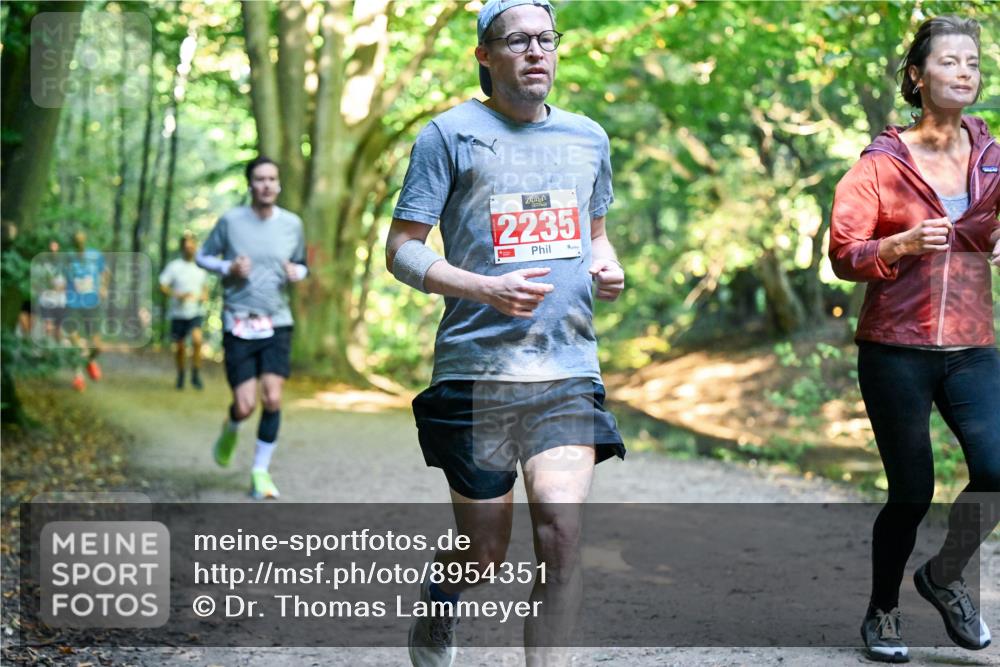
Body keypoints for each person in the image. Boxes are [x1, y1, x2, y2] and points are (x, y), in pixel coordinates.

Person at [386, 1, 626, 665]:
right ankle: (441, 599)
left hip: (566, 368)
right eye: (517, 40)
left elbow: (597, 235)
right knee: (484, 550)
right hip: (477, 370)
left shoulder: (588, 138)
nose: (536, 51)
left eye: (546, 38)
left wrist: (607, 266)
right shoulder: (448, 135)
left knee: (561, 535)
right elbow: (401, 248)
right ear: (484, 56)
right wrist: (483, 287)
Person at [829, 15, 1000, 663]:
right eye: (949, 61)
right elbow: (843, 253)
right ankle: (883, 611)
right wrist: (899, 243)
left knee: (997, 469)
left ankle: (945, 573)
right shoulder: (881, 165)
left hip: (971, 344)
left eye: (972, 62)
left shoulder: (991, 157)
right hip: (895, 347)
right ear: (917, 76)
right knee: (911, 491)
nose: (964, 72)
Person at [196, 156, 308, 500]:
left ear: (279, 184)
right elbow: (202, 256)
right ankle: (232, 426)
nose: (266, 185)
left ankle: (260, 471)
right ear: (250, 185)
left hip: (277, 321)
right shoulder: (231, 221)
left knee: (272, 397)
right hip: (238, 322)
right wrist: (228, 267)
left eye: (272, 179)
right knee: (245, 405)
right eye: (260, 179)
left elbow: (301, 264)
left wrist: (297, 273)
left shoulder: (292, 224)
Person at [159, 231, 209, 389]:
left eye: (192, 246)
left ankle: (196, 373)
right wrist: (177, 295)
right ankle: (181, 375)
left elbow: (205, 288)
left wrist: (204, 296)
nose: (189, 249)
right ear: (182, 248)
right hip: (178, 313)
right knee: (180, 346)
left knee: (197, 340)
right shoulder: (174, 267)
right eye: (186, 247)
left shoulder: (201, 268)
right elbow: (162, 286)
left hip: (195, 312)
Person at [64, 230, 108, 391]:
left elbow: (105, 272)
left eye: (82, 238)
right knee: (76, 343)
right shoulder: (67, 257)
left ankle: (90, 361)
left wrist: (103, 287)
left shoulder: (95, 255)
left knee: (97, 346)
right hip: (73, 304)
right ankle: (78, 377)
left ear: (85, 240)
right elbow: (59, 278)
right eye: (77, 239)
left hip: (91, 304)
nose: (80, 241)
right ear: (73, 242)